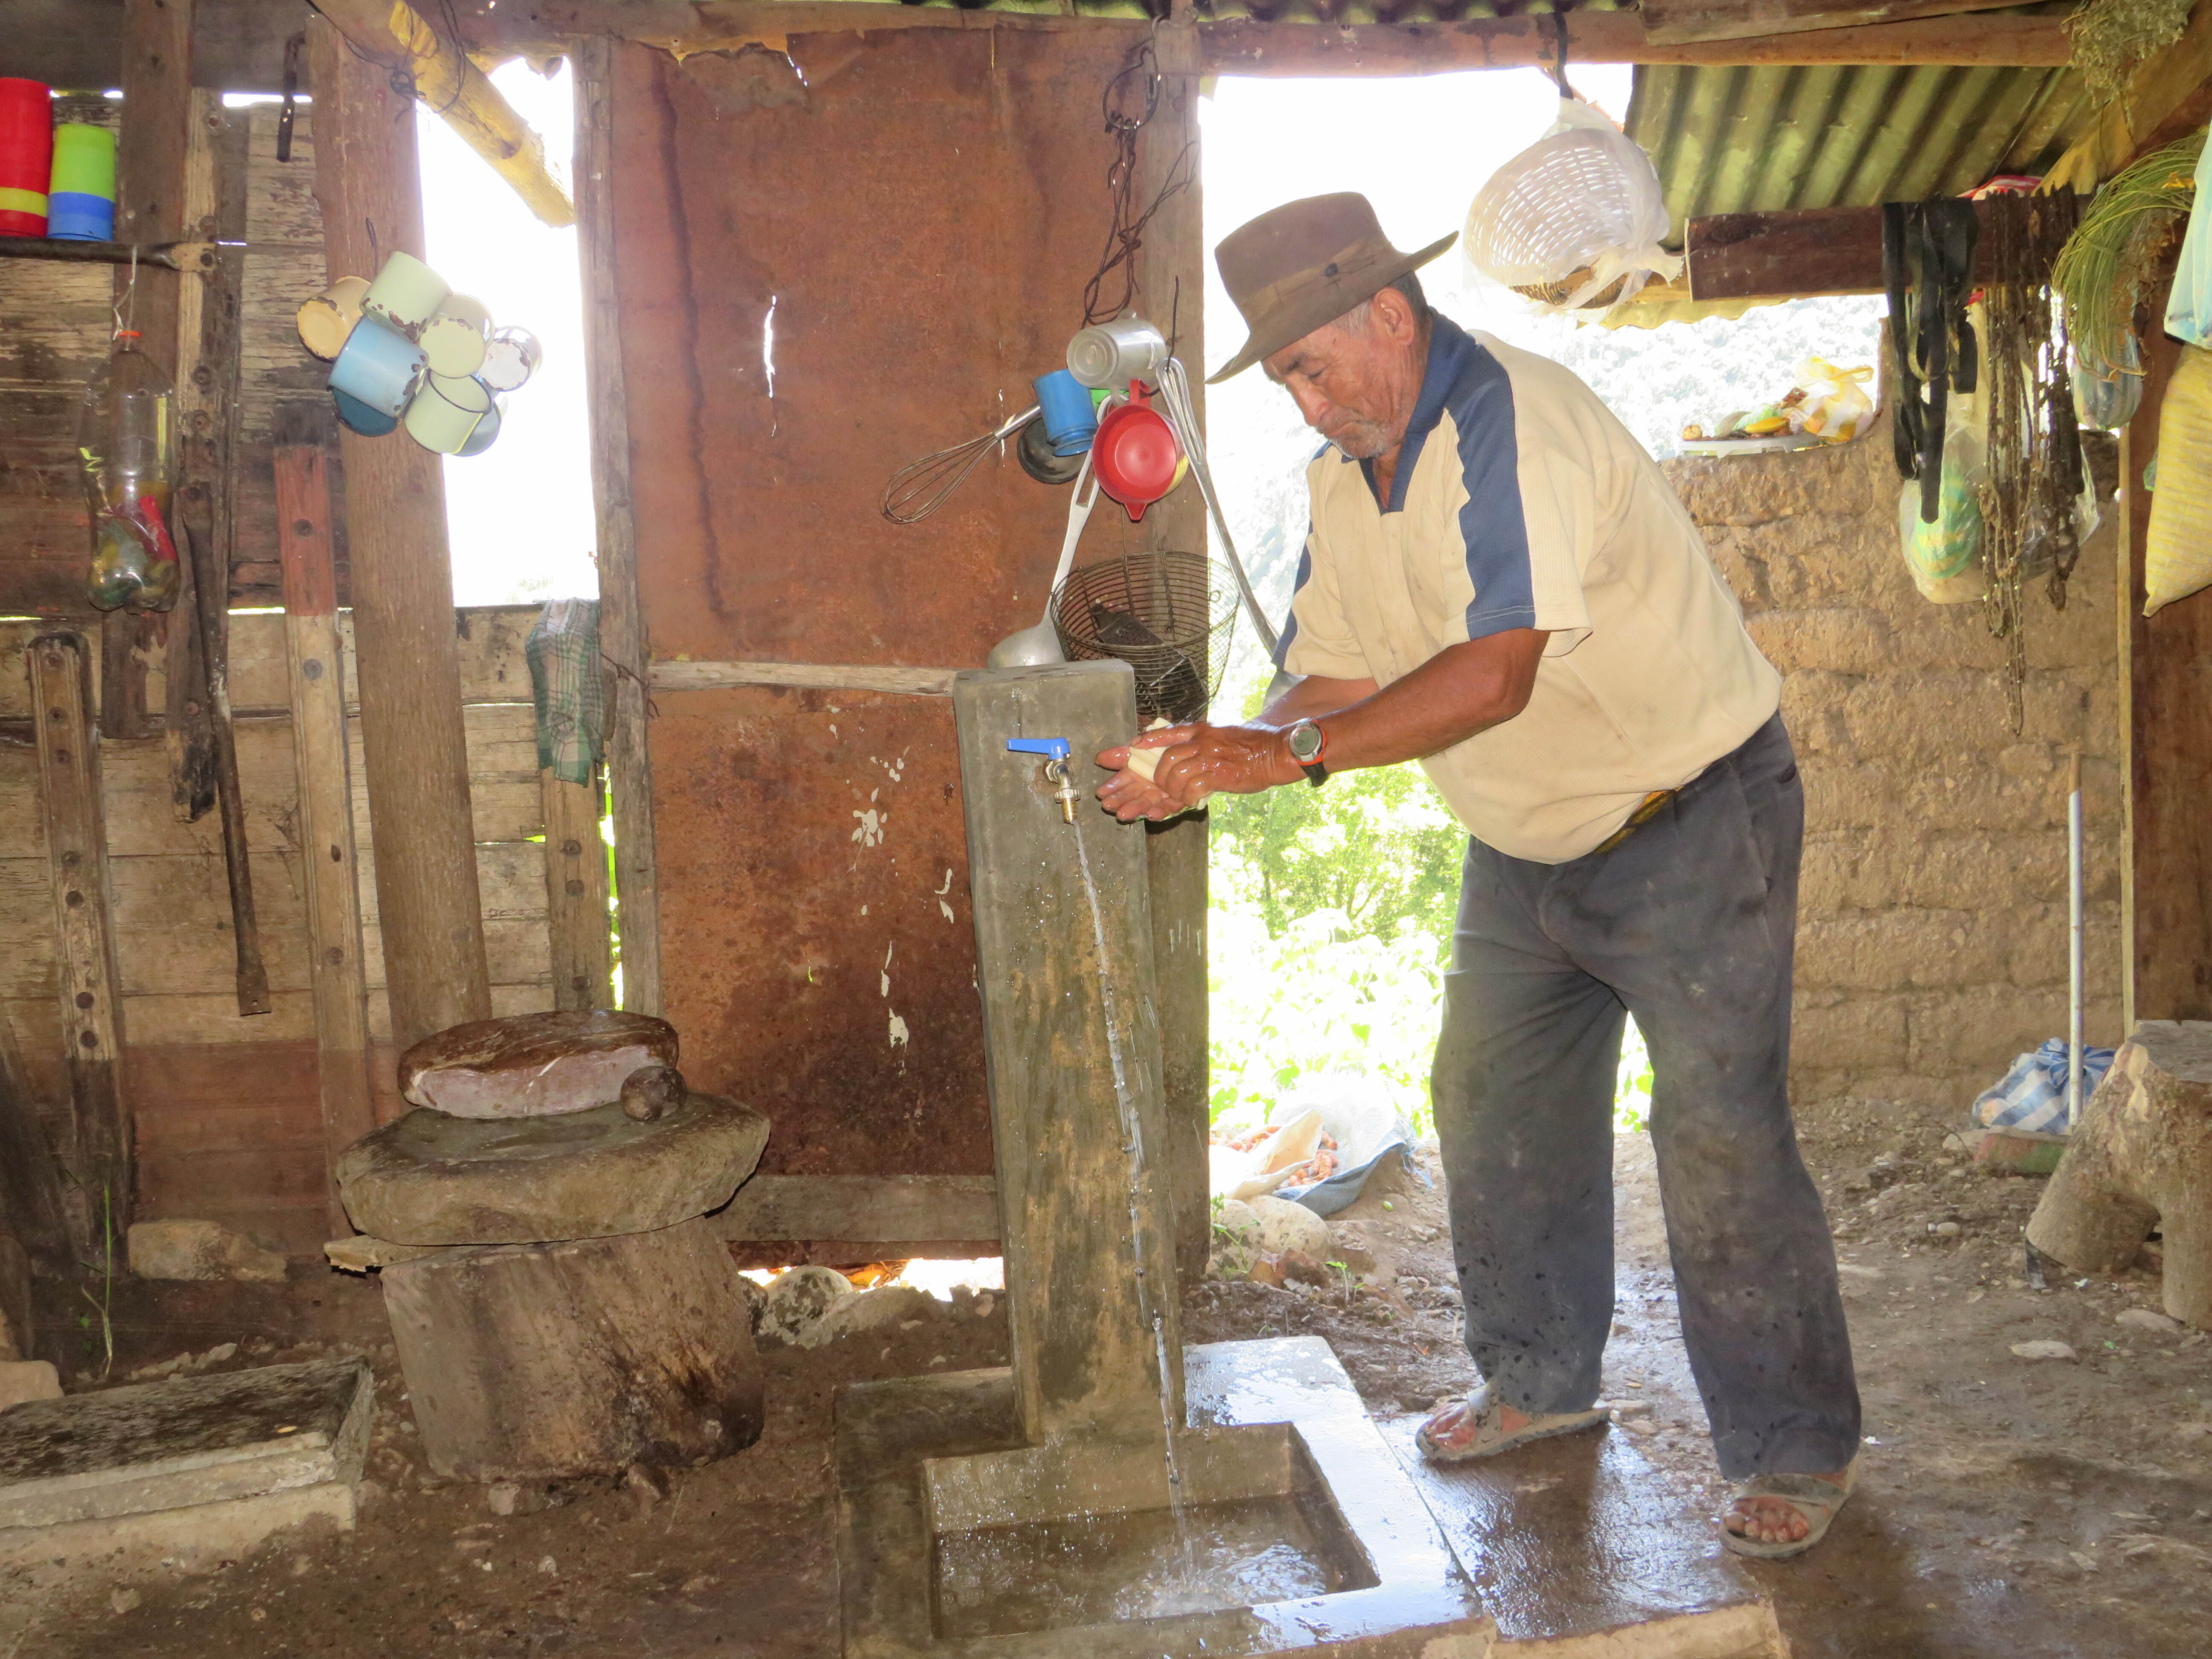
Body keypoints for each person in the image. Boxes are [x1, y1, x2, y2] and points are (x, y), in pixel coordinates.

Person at [1095, 192, 1862, 1559]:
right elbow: (1329, 675)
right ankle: (1537, 1385)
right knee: (1491, 1099)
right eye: (1286, 382)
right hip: (1526, 843)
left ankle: (1794, 1451)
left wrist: (1294, 756)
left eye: (1312, 370)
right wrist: (1214, 752)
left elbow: (1496, 671)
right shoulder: (1349, 478)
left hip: (1687, 814)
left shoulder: (1516, 422)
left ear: (1389, 317)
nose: (1307, 406)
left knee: (1719, 1130)